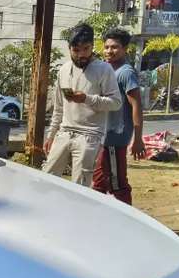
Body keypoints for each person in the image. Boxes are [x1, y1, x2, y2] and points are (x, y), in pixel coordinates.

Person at [43, 24, 122, 186]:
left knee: (79, 185)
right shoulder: (63, 70)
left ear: (92, 46)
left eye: (86, 49)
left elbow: (116, 103)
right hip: (64, 132)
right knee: (47, 178)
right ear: (69, 49)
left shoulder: (104, 69)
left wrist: (87, 98)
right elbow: (58, 107)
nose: (81, 55)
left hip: (90, 135)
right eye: (76, 50)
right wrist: (51, 135)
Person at [93, 28, 145, 204]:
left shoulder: (125, 72)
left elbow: (136, 105)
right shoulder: (105, 69)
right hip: (102, 136)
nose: (109, 51)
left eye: (114, 47)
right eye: (106, 47)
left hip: (115, 138)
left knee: (117, 184)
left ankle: (126, 221)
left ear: (125, 49)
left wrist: (138, 139)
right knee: (98, 182)